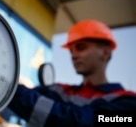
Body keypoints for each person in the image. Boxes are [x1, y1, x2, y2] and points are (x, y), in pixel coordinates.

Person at [8, 19, 136, 127]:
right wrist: (7, 84)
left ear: (105, 53)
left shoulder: (128, 101)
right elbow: (28, 93)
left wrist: (7, 90)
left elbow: (84, 121)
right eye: (71, 50)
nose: (73, 55)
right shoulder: (59, 90)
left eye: (81, 47)